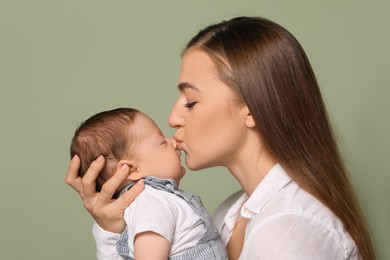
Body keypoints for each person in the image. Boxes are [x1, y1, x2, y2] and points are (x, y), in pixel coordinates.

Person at [66, 16, 375, 259]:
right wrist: (111, 229)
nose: (173, 118)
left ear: (252, 109)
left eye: (190, 101)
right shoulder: (231, 214)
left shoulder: (286, 229)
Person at [69, 107, 227, 259]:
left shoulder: (149, 203)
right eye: (162, 142)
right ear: (132, 169)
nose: (173, 142)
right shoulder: (152, 202)